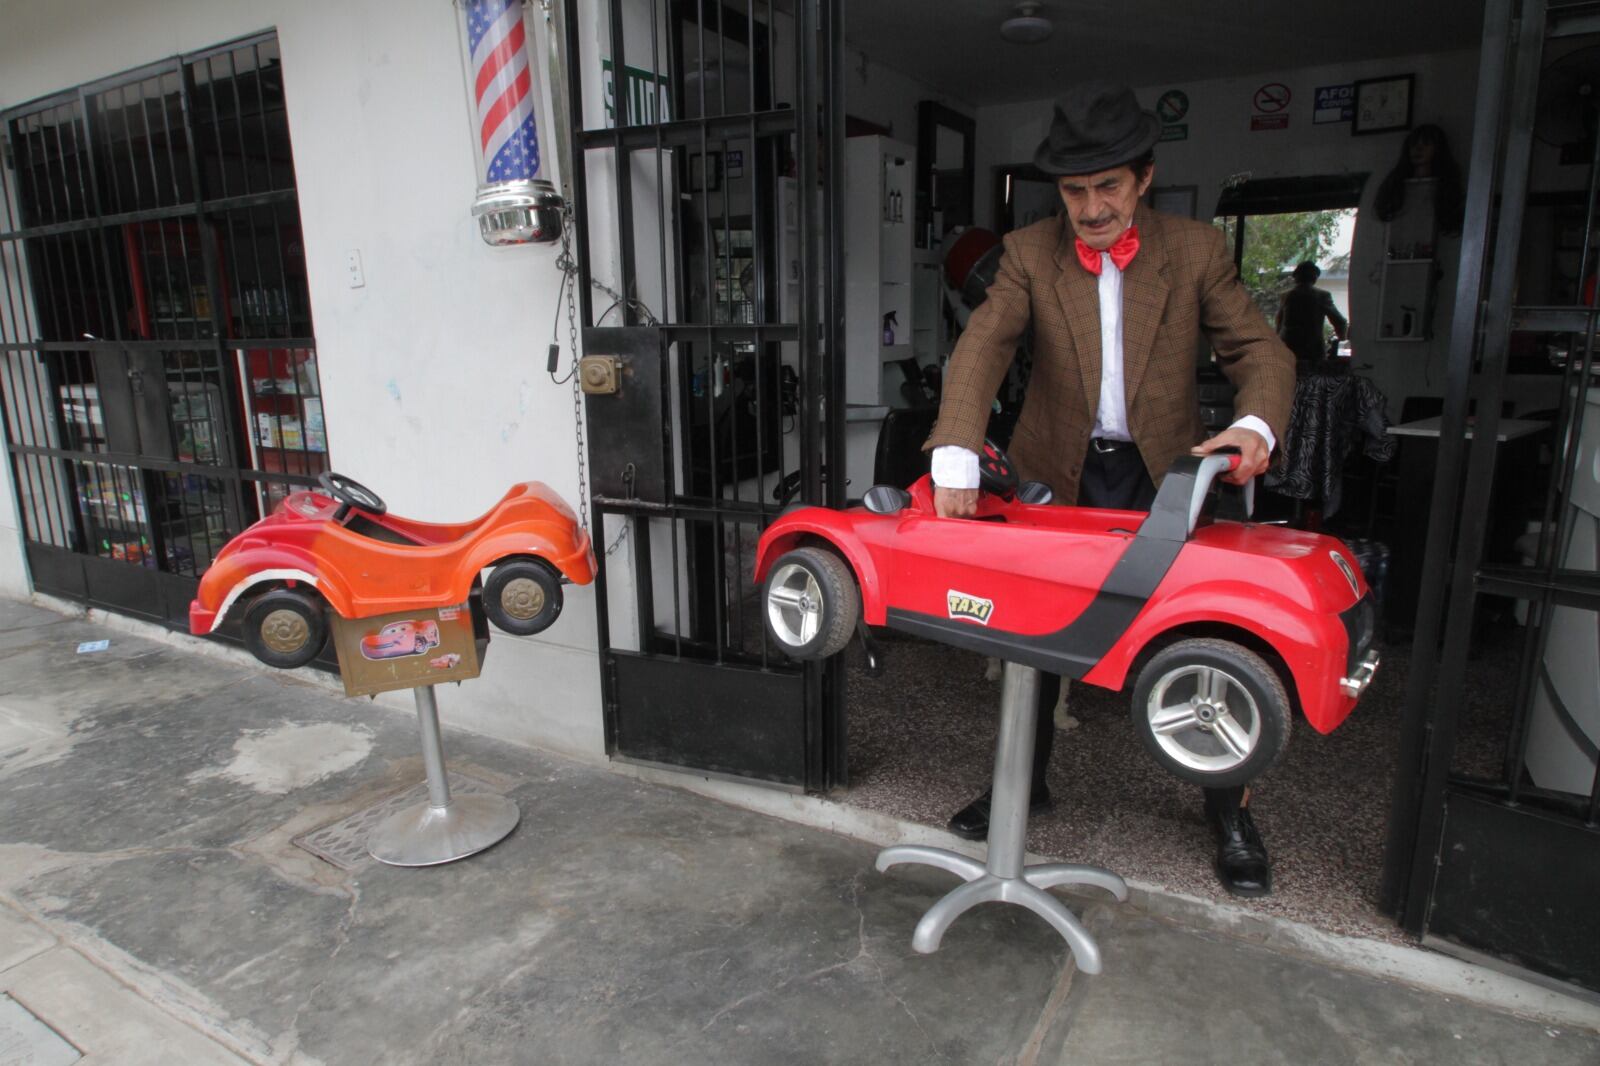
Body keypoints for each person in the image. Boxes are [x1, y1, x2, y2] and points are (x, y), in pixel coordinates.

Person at [924, 81, 1295, 898]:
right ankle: (1023, 786)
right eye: (1074, 191)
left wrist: (1254, 426)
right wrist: (954, 447)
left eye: (1108, 188)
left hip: (1165, 470)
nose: (1091, 209)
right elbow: (984, 345)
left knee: (1209, 638)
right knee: (1029, 631)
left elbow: (1259, 351)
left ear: (1144, 179)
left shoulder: (1195, 249)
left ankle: (1229, 811)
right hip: (1056, 470)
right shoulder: (1029, 252)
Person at [1276, 262, 1348, 373]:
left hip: (1287, 350)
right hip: (1313, 352)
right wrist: (1341, 342)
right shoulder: (1322, 295)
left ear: (1295, 276)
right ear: (1315, 277)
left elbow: (1279, 324)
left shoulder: (1286, 296)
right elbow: (1340, 322)